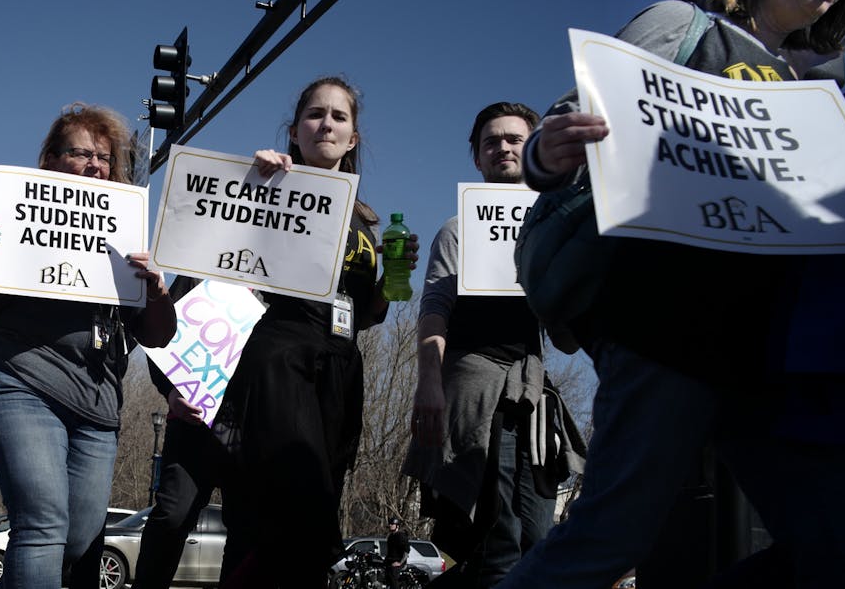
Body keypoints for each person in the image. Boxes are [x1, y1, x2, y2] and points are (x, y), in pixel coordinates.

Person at [500, 0, 845, 586]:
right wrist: (546, 151)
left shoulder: (823, 87)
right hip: (669, 331)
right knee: (608, 542)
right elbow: (570, 118)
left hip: (776, 359)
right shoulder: (685, 27)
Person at [0, 103, 177, 589]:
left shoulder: (123, 239)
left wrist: (155, 289)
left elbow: (157, 335)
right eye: (81, 153)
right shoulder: (14, 224)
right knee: (42, 524)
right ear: (51, 161)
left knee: (78, 538)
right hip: (20, 383)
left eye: (104, 158)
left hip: (97, 406)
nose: (95, 165)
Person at [213, 76, 393, 588]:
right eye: (316, 114)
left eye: (339, 116)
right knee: (287, 506)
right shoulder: (271, 184)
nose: (327, 124)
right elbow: (220, 249)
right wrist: (256, 184)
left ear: (353, 138)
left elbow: (367, 313)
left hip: (340, 368)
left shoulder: (365, 222)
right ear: (295, 130)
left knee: (320, 500)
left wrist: (389, 285)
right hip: (280, 359)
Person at [402, 102, 585, 588]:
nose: (502, 147)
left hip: (533, 401)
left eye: (513, 139)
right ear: (477, 159)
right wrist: (429, 384)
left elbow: (566, 339)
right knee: (498, 543)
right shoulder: (458, 229)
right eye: (490, 141)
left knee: (536, 543)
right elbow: (434, 310)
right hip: (478, 394)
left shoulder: (555, 230)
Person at [133, 276, 230, 589]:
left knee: (247, 528)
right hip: (192, 424)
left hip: (251, 429)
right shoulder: (195, 275)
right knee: (173, 516)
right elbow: (159, 333)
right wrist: (171, 391)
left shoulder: (281, 282)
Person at [384, 517, 409, 589]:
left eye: (392, 524)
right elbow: (390, 551)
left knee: (393, 578)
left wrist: (400, 563)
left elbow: (406, 551)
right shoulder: (390, 536)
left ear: (397, 526)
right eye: (390, 524)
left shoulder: (401, 536)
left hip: (398, 562)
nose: (390, 525)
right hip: (390, 561)